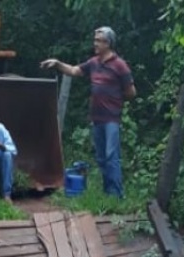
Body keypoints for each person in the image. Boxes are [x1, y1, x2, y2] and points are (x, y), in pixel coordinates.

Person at [41, 27, 136, 199]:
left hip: (112, 119)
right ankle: (108, 193)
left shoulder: (119, 65)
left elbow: (131, 92)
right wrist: (57, 64)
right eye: (95, 40)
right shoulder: (94, 62)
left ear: (108, 43)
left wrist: (114, 100)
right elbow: (74, 70)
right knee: (101, 157)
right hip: (97, 118)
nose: (95, 44)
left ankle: (116, 195)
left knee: (111, 156)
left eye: (98, 40)